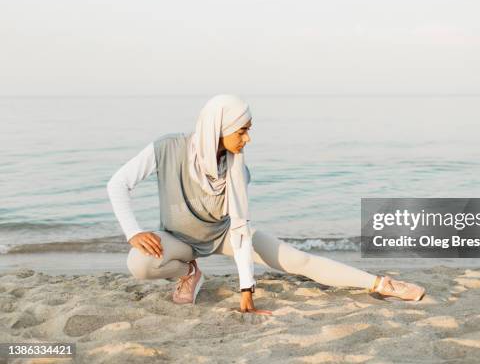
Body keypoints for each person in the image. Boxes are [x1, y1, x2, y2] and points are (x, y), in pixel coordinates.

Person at [107, 95, 425, 315]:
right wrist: (132, 231)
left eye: (248, 130)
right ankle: (190, 272)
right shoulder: (166, 148)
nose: (248, 138)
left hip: (224, 235)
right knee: (140, 262)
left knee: (298, 261)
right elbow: (118, 183)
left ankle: (380, 283)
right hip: (178, 241)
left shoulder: (237, 170)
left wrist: (247, 289)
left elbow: (240, 232)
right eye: (242, 130)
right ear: (219, 128)